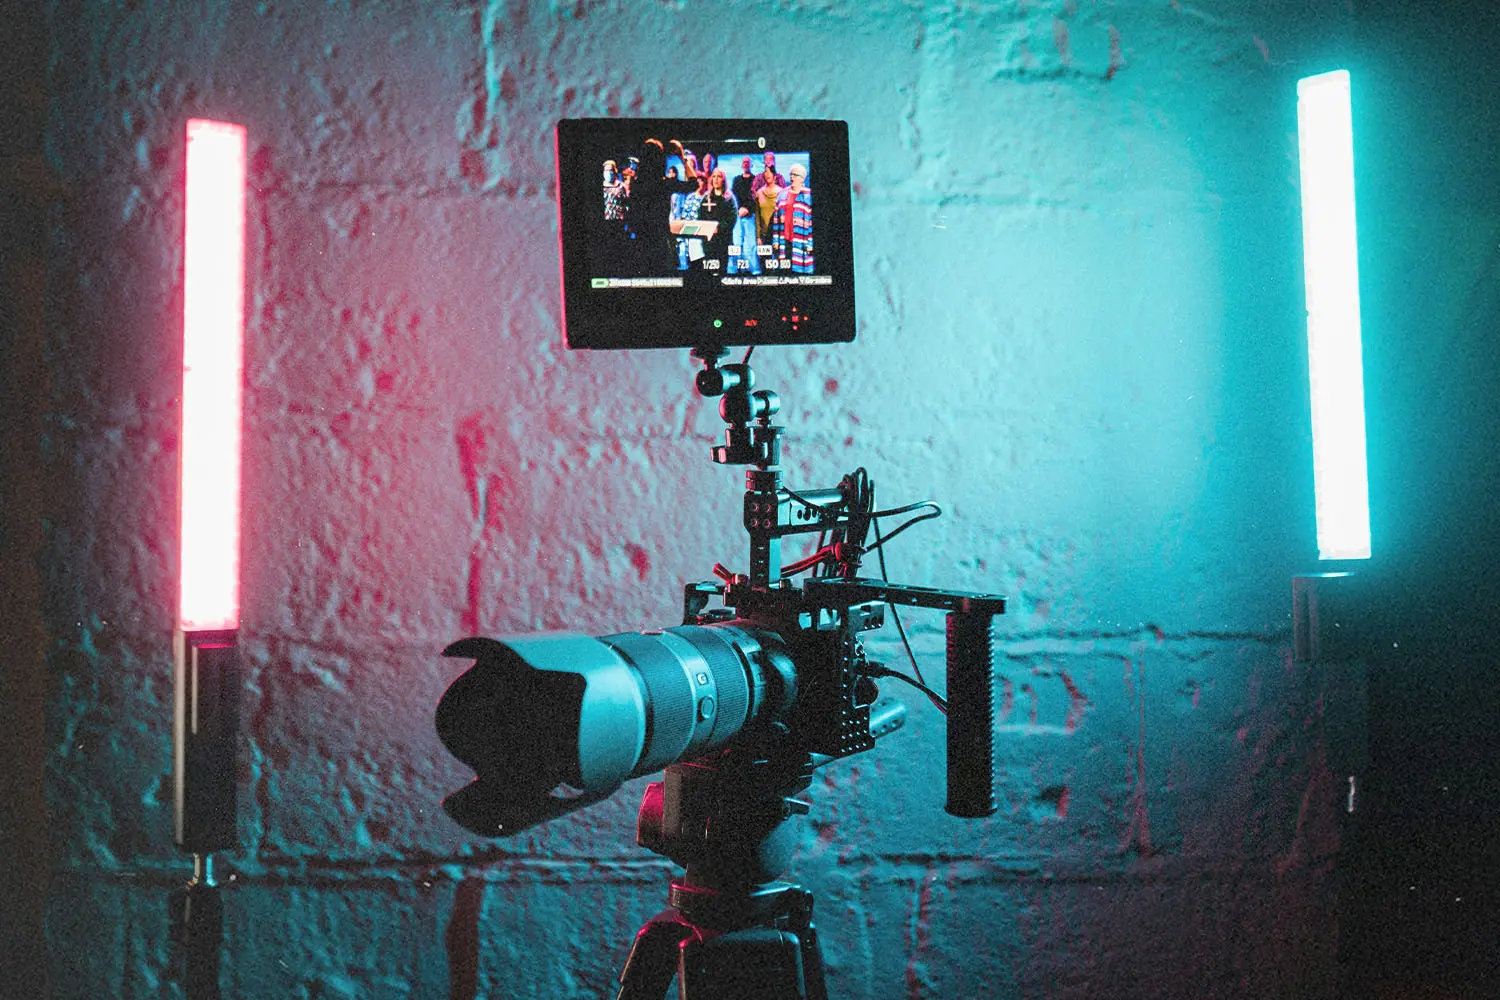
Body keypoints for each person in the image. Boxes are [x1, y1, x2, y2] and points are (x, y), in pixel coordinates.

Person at [627, 138, 698, 274]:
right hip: (660, 245)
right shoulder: (664, 184)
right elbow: (693, 184)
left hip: (639, 245)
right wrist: (682, 156)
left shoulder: (636, 185)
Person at [696, 168, 739, 273]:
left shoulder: (729, 198)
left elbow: (732, 219)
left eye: (719, 176)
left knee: (722, 270)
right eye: (714, 176)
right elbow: (700, 216)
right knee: (709, 272)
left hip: (724, 240)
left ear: (723, 180)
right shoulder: (706, 198)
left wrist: (718, 228)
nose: (716, 179)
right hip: (709, 241)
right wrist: (707, 229)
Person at [772, 162, 813, 274]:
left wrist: (811, 243)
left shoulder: (808, 195)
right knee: (785, 273)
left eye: (795, 175)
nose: (792, 177)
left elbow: (812, 223)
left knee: (799, 274)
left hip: (801, 242)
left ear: (802, 178)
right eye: (791, 174)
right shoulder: (782, 194)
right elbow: (776, 221)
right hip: (785, 241)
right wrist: (775, 240)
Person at [729, 157, 760, 274]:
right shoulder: (736, 180)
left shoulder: (756, 179)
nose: (746, 164)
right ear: (742, 165)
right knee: (737, 243)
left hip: (750, 216)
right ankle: (738, 269)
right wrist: (738, 210)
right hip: (737, 216)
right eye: (744, 162)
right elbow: (734, 196)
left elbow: (755, 198)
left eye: (748, 162)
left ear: (751, 165)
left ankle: (754, 270)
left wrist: (747, 209)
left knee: (751, 244)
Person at [750, 152, 787, 248]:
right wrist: (758, 236)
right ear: (764, 161)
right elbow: (757, 212)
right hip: (763, 232)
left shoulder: (781, 181)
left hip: (778, 232)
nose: (769, 162)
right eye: (767, 159)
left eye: (771, 159)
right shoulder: (758, 180)